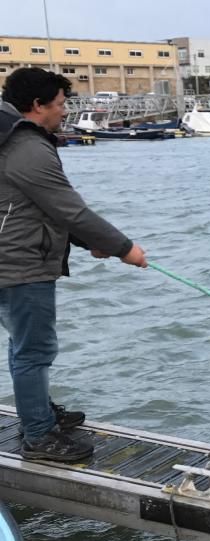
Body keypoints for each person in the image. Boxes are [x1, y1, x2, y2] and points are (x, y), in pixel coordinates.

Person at [0, 68, 147, 462]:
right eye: (61, 105)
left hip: (10, 258)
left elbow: (39, 208)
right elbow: (71, 209)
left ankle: (39, 414)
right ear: (37, 106)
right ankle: (39, 438)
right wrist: (124, 248)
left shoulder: (9, 137)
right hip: (20, 264)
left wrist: (86, 244)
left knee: (24, 343)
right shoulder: (26, 147)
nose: (64, 112)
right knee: (34, 350)